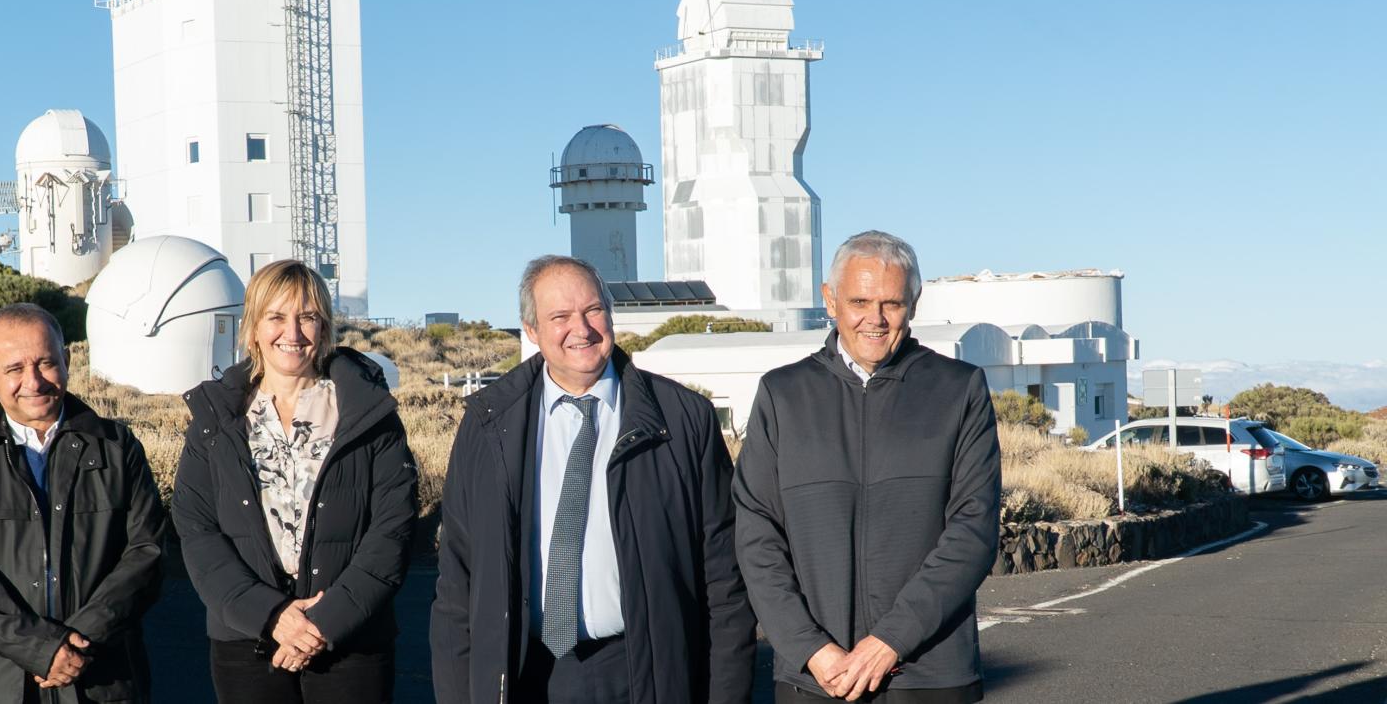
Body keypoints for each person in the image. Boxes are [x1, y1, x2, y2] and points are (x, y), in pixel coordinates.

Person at [431, 255, 755, 704]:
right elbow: (457, 586)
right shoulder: (489, 425)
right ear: (531, 330)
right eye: (559, 316)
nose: (581, 329)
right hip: (523, 674)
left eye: (593, 310)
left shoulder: (683, 422)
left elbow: (725, 583)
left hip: (642, 673)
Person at [733, 230, 1002, 703]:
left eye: (892, 303)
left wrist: (889, 641)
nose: (874, 320)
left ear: (914, 304)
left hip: (931, 677)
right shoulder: (782, 395)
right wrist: (811, 649)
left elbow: (972, 532)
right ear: (830, 300)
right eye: (859, 300)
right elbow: (758, 536)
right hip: (815, 679)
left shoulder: (959, 391)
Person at [172, 259, 418, 704]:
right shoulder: (217, 419)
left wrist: (325, 621)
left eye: (307, 317)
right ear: (254, 327)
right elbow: (197, 530)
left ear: (323, 328)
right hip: (246, 640)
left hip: (351, 639)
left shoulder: (366, 413)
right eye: (277, 317)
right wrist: (272, 615)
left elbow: (392, 530)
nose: (293, 332)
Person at [0, 302, 168, 703]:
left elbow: (147, 553)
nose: (33, 381)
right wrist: (40, 648)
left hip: (101, 678)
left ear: (67, 361)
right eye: (14, 369)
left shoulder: (117, 449)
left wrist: (79, 643)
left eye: (46, 363)